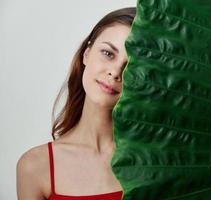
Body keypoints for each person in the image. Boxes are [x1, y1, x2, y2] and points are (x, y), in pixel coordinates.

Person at [16, 7, 136, 200]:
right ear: (86, 53)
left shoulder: (158, 160)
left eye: (131, 65)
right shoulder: (35, 166)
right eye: (108, 53)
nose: (115, 72)